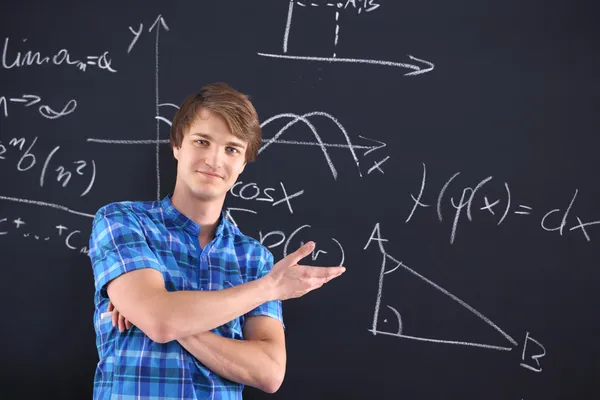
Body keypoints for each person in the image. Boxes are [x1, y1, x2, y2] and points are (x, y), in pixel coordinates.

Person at [88, 82, 346, 399]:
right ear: (177, 145)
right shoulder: (123, 221)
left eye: (232, 149)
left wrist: (162, 317)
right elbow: (160, 320)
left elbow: (268, 372)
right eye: (202, 141)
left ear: (243, 163)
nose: (214, 159)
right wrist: (266, 289)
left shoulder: (255, 259)